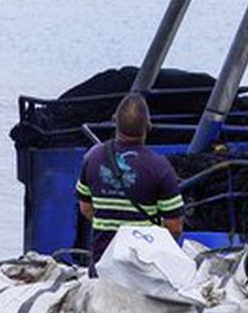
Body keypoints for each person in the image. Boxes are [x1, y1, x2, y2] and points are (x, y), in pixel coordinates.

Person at [76, 94, 185, 269]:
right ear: (147, 127)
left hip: (101, 266)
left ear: (115, 121)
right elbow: (175, 226)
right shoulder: (160, 167)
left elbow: (85, 207)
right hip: (142, 271)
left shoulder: (92, 157)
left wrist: (112, 225)